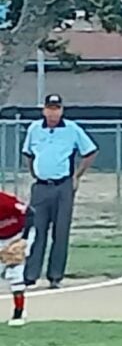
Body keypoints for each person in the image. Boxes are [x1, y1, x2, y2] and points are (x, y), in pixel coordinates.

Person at [20, 93, 97, 290]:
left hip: (63, 186)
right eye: (50, 108)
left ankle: (55, 276)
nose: (53, 113)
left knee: (60, 232)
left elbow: (90, 151)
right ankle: (30, 275)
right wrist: (36, 173)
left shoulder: (72, 129)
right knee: (36, 231)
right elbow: (28, 154)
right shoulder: (35, 129)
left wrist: (76, 176)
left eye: (57, 108)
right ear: (44, 110)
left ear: (61, 110)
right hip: (41, 187)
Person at [0, 191, 35, 326]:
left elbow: (30, 213)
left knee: (15, 272)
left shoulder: (5, 201)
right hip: (1, 238)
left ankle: (18, 313)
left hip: (19, 234)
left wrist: (24, 240)